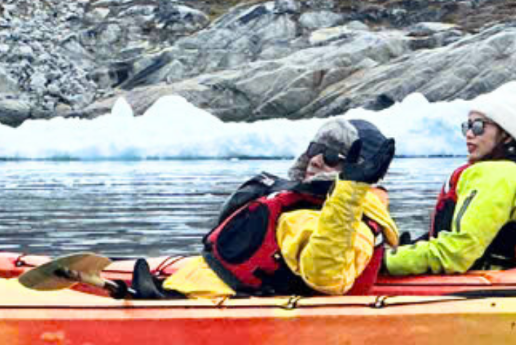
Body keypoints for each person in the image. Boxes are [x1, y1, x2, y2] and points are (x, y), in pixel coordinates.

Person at [149, 118, 400, 299]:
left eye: (332, 156)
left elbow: (327, 279)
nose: (315, 160)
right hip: (195, 289)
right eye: (316, 149)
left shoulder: (352, 221)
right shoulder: (296, 198)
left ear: (359, 171)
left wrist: (349, 192)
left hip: (221, 307)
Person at [383, 81, 516, 276]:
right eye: (467, 126)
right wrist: (411, 247)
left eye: (478, 126)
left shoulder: (498, 175)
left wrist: (384, 262)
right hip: (511, 274)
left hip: (486, 282)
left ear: (507, 135)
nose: (469, 134)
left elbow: (456, 254)